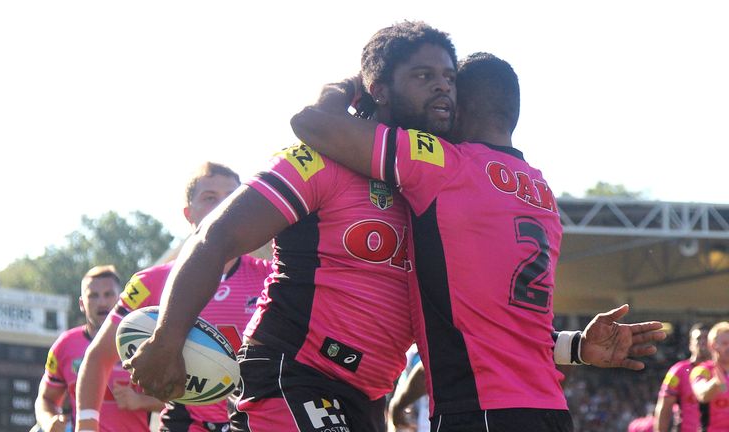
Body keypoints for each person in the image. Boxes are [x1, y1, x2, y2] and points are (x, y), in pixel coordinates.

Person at [127, 22, 664, 432]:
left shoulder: (443, 181)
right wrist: (168, 336)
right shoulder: (320, 160)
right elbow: (216, 237)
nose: (443, 91)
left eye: (450, 79)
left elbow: (475, 324)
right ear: (378, 89)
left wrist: (571, 345)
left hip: (368, 396)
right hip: (295, 373)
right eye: (424, 76)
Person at [290, 38, 666, 430]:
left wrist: (354, 85)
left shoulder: (442, 164)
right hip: (550, 413)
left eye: (448, 90)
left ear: (460, 106)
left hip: (478, 412)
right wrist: (578, 346)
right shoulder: (542, 194)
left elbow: (310, 123)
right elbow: (498, 323)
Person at [75, 162, 271, 432]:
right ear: (188, 213)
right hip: (186, 425)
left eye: (233, 197)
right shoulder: (150, 282)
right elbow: (98, 356)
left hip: (257, 424)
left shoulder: (273, 276)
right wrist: (86, 424)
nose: (224, 206)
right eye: (210, 198)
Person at [35, 265, 159, 432]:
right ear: (81, 303)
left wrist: (139, 401)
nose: (102, 302)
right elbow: (45, 399)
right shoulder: (65, 345)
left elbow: (181, 401)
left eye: (108, 294)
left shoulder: (144, 341)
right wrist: (48, 420)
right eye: (93, 296)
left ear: (122, 299)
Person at [654, 323, 711, 432]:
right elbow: (664, 408)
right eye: (698, 338)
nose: (703, 342)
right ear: (691, 344)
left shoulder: (721, 372)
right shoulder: (678, 371)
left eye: (706, 338)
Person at [690, 321, 729, 431]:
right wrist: (717, 382)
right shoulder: (701, 371)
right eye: (725, 343)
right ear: (712, 345)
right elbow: (702, 394)